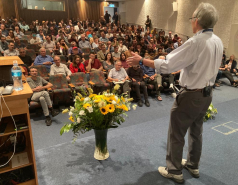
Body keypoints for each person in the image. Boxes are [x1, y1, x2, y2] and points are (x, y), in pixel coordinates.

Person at [127, 3, 223, 184]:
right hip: (207, 94)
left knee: (176, 133)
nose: (192, 22)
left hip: (191, 95)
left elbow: (168, 66)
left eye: (192, 19)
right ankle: (193, 165)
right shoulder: (217, 40)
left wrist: (141, 61)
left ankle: (174, 170)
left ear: (197, 21)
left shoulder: (195, 41)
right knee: (197, 131)